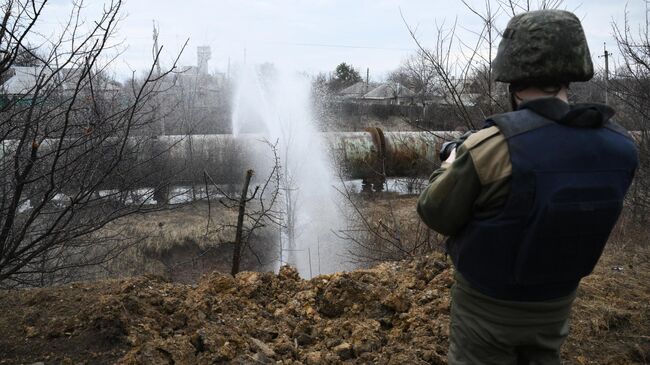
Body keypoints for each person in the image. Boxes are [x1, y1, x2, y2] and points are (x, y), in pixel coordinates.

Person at [417, 9, 639, 365]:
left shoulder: (491, 147)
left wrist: (449, 164)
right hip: (557, 303)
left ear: (512, 76)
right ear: (573, 69)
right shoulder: (621, 145)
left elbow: (435, 212)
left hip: (486, 308)